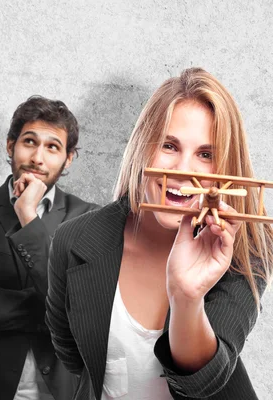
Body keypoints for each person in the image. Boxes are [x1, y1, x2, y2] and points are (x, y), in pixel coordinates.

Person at [45, 67, 273, 399]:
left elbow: (203, 383)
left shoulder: (247, 247)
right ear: (143, 147)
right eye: (169, 145)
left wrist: (186, 296)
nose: (183, 170)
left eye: (206, 155)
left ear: (225, 167)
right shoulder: (73, 240)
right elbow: (72, 354)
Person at [0, 96, 99, 400]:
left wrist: (28, 216)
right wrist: (53, 312)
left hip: (60, 391)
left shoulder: (87, 218)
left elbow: (82, 307)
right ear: (10, 145)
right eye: (29, 142)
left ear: (68, 159)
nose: (38, 157)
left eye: (52, 147)